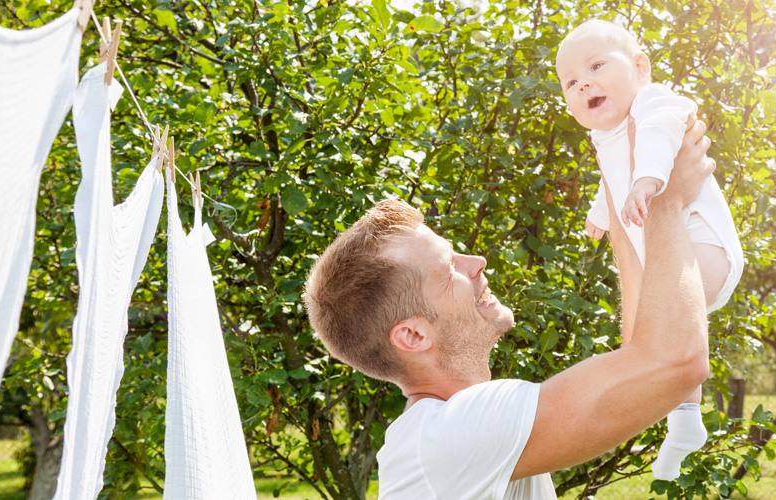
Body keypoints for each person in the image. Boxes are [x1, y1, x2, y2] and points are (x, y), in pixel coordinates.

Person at [302, 115, 716, 498]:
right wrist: (666, 201)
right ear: (413, 335)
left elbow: (643, 363)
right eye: (450, 269)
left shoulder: (452, 431)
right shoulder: (448, 437)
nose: (477, 262)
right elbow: (676, 362)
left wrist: (621, 174)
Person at [555, 19, 745, 479]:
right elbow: (614, 182)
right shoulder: (605, 138)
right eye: (572, 82)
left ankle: (679, 416)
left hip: (703, 244)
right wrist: (601, 215)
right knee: (656, 334)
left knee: (664, 326)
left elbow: (663, 133)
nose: (585, 83)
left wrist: (649, 179)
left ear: (641, 68)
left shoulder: (652, 102)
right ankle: (684, 421)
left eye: (597, 65)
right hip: (668, 259)